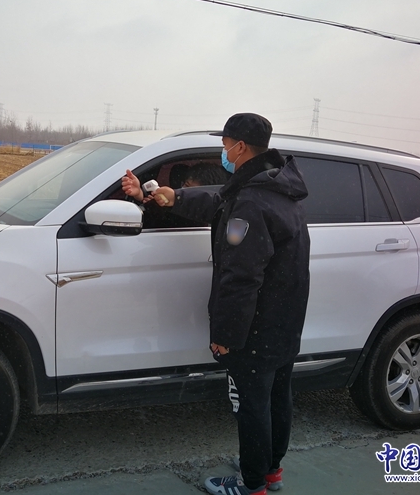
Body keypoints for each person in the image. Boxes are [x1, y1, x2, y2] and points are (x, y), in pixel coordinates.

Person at [122, 113, 310, 495]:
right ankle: (270, 470)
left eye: (224, 145)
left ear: (239, 147)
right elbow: (218, 202)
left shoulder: (251, 202)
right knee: (277, 397)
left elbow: (241, 277)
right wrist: (173, 196)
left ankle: (252, 484)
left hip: (255, 327)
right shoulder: (273, 187)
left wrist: (226, 334)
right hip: (285, 320)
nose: (222, 152)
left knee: (252, 405)